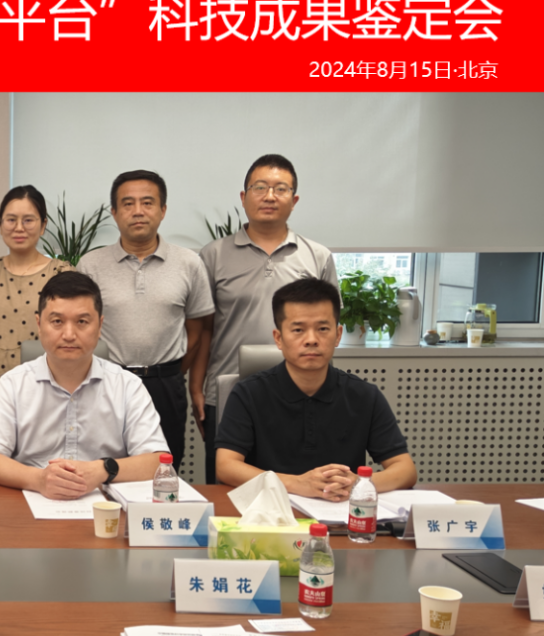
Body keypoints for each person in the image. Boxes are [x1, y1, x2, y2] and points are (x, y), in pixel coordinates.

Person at [190, 154, 337, 484]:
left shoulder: (317, 256)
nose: (269, 196)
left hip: (297, 391)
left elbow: (326, 329)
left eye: (280, 189)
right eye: (260, 187)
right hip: (227, 388)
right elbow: (204, 329)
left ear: (294, 200)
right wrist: (197, 388)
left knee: (299, 483)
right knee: (227, 485)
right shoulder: (213, 255)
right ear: (244, 198)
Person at [0, 272, 170, 500]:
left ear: (100, 325)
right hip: (31, 505)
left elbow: (157, 461)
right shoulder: (12, 385)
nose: (68, 335)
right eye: (57, 321)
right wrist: (39, 479)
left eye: (82, 322)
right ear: (39, 324)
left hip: (106, 508)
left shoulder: (128, 386)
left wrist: (103, 469)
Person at [216, 278, 417, 499]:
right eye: (298, 330)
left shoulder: (365, 396)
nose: (311, 340)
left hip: (339, 509)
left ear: (338, 335)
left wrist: (357, 484)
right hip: (270, 510)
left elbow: (405, 470)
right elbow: (226, 466)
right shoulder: (248, 393)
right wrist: (296, 483)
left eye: (322, 329)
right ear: (278, 338)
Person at [78, 170, 214, 474]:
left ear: (163, 210)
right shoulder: (90, 265)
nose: (138, 211)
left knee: (162, 472)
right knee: (101, 469)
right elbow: (81, 326)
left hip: (165, 385)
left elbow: (198, 330)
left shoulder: (189, 263)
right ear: (114, 212)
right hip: (106, 383)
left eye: (147, 203)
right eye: (128, 204)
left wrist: (170, 373)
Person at [0, 185, 73, 483]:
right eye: (11, 219)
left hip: (45, 401)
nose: (19, 228)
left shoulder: (62, 274)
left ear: (43, 225)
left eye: (28, 220)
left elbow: (70, 337)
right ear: (0, 224)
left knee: (42, 483)